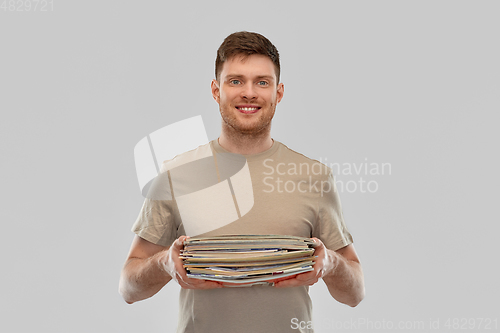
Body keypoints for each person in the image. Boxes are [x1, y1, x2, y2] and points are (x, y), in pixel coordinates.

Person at [119, 31, 365, 333]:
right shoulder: (176, 174)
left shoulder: (315, 177)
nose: (249, 93)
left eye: (262, 82)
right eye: (235, 81)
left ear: (279, 92)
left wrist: (331, 264)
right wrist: (164, 265)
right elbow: (129, 288)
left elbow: (354, 293)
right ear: (215, 90)